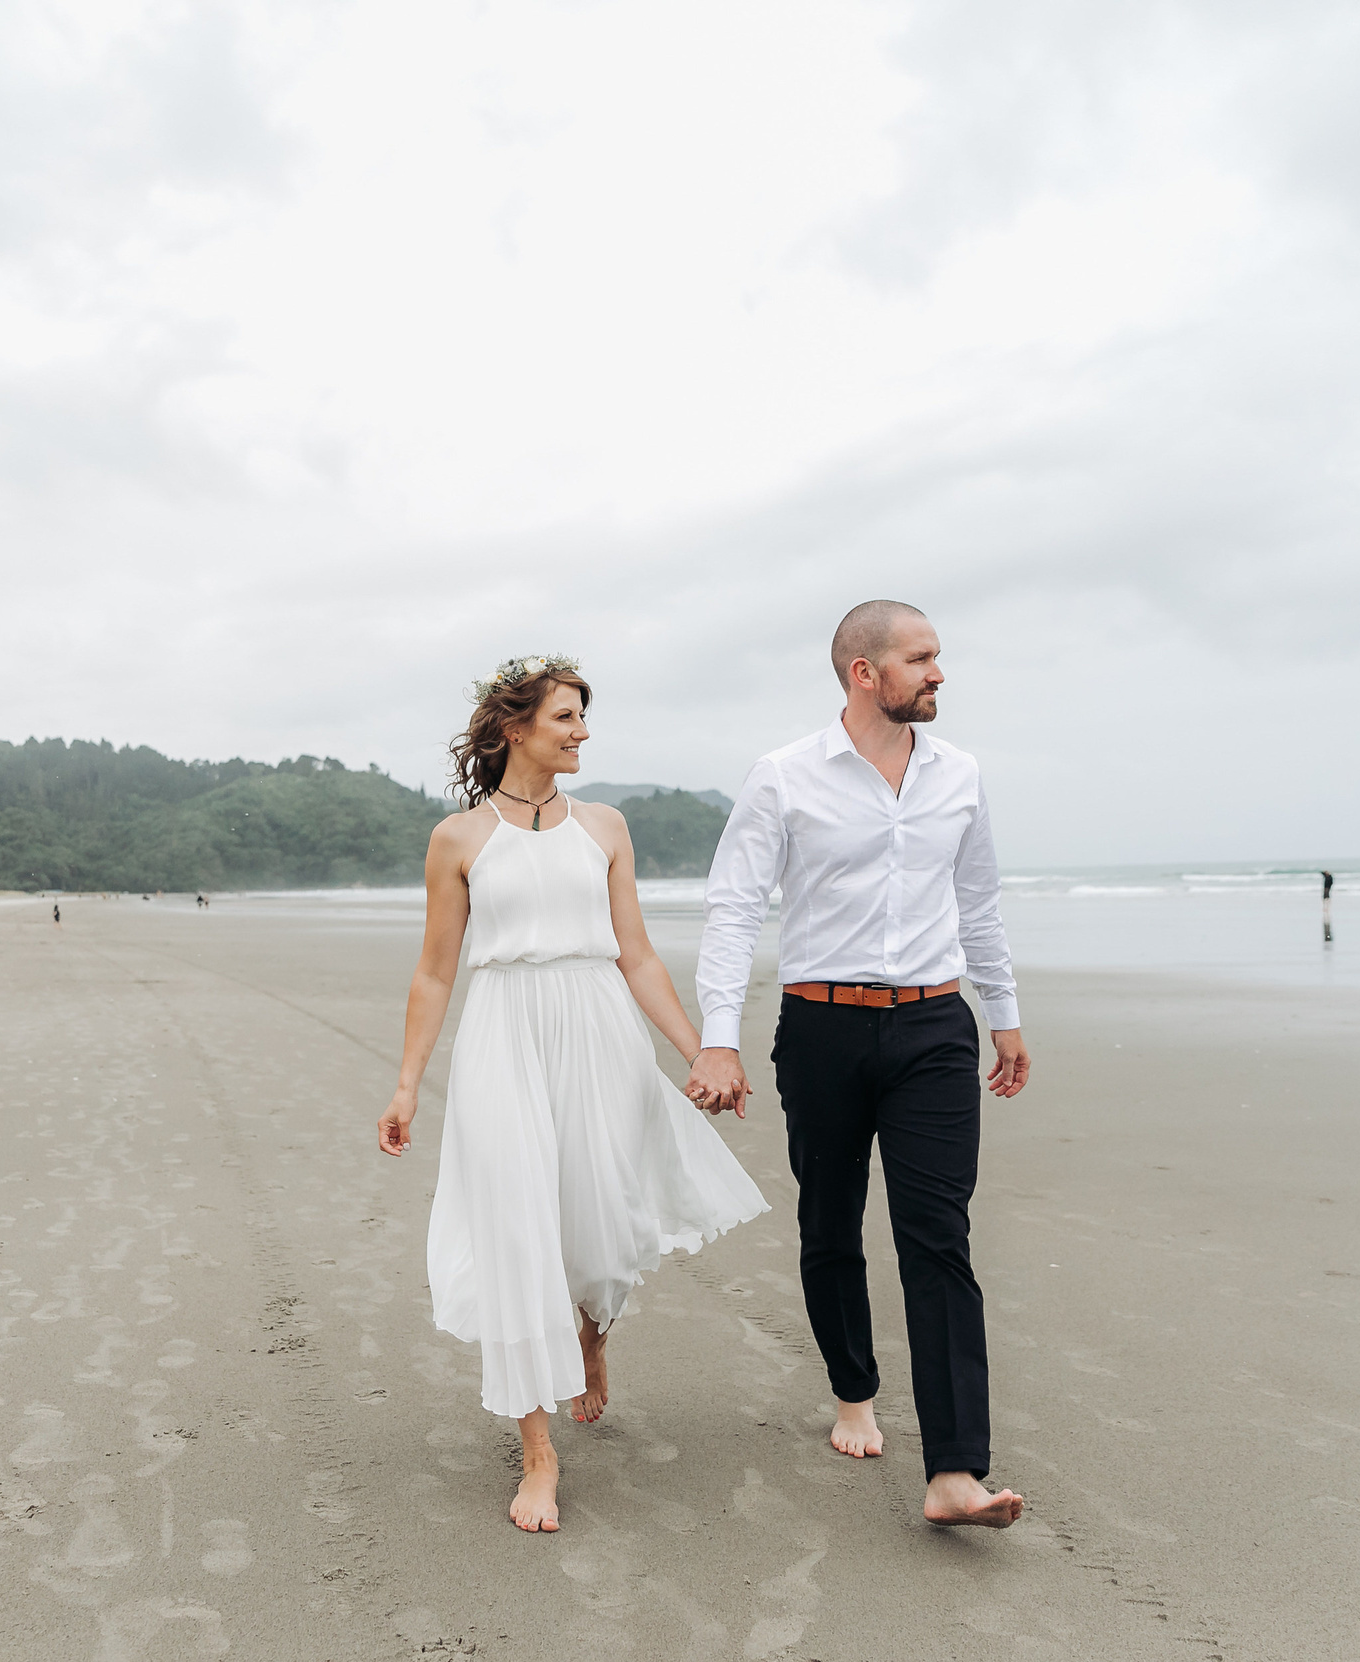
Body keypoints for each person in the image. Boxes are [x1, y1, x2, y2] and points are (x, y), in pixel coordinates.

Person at [379, 654, 769, 1534]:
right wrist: (406, 1085)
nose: (583, 731)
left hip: (598, 1028)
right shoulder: (460, 839)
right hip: (504, 1033)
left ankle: (591, 1330)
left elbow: (634, 953)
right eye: (566, 717)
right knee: (518, 1223)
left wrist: (706, 1049)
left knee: (596, 1217)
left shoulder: (606, 826)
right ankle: (538, 1451)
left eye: (583, 717)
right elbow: (436, 971)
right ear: (516, 728)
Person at [687, 600, 1030, 1530]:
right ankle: (852, 1390)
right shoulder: (785, 777)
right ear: (862, 672)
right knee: (831, 1225)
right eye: (921, 658)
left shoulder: (960, 775)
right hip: (823, 1028)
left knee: (937, 1234)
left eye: (938, 656)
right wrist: (718, 1033)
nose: (939, 673)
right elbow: (735, 907)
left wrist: (1003, 1014)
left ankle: (957, 1467)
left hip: (933, 1029)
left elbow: (980, 900)